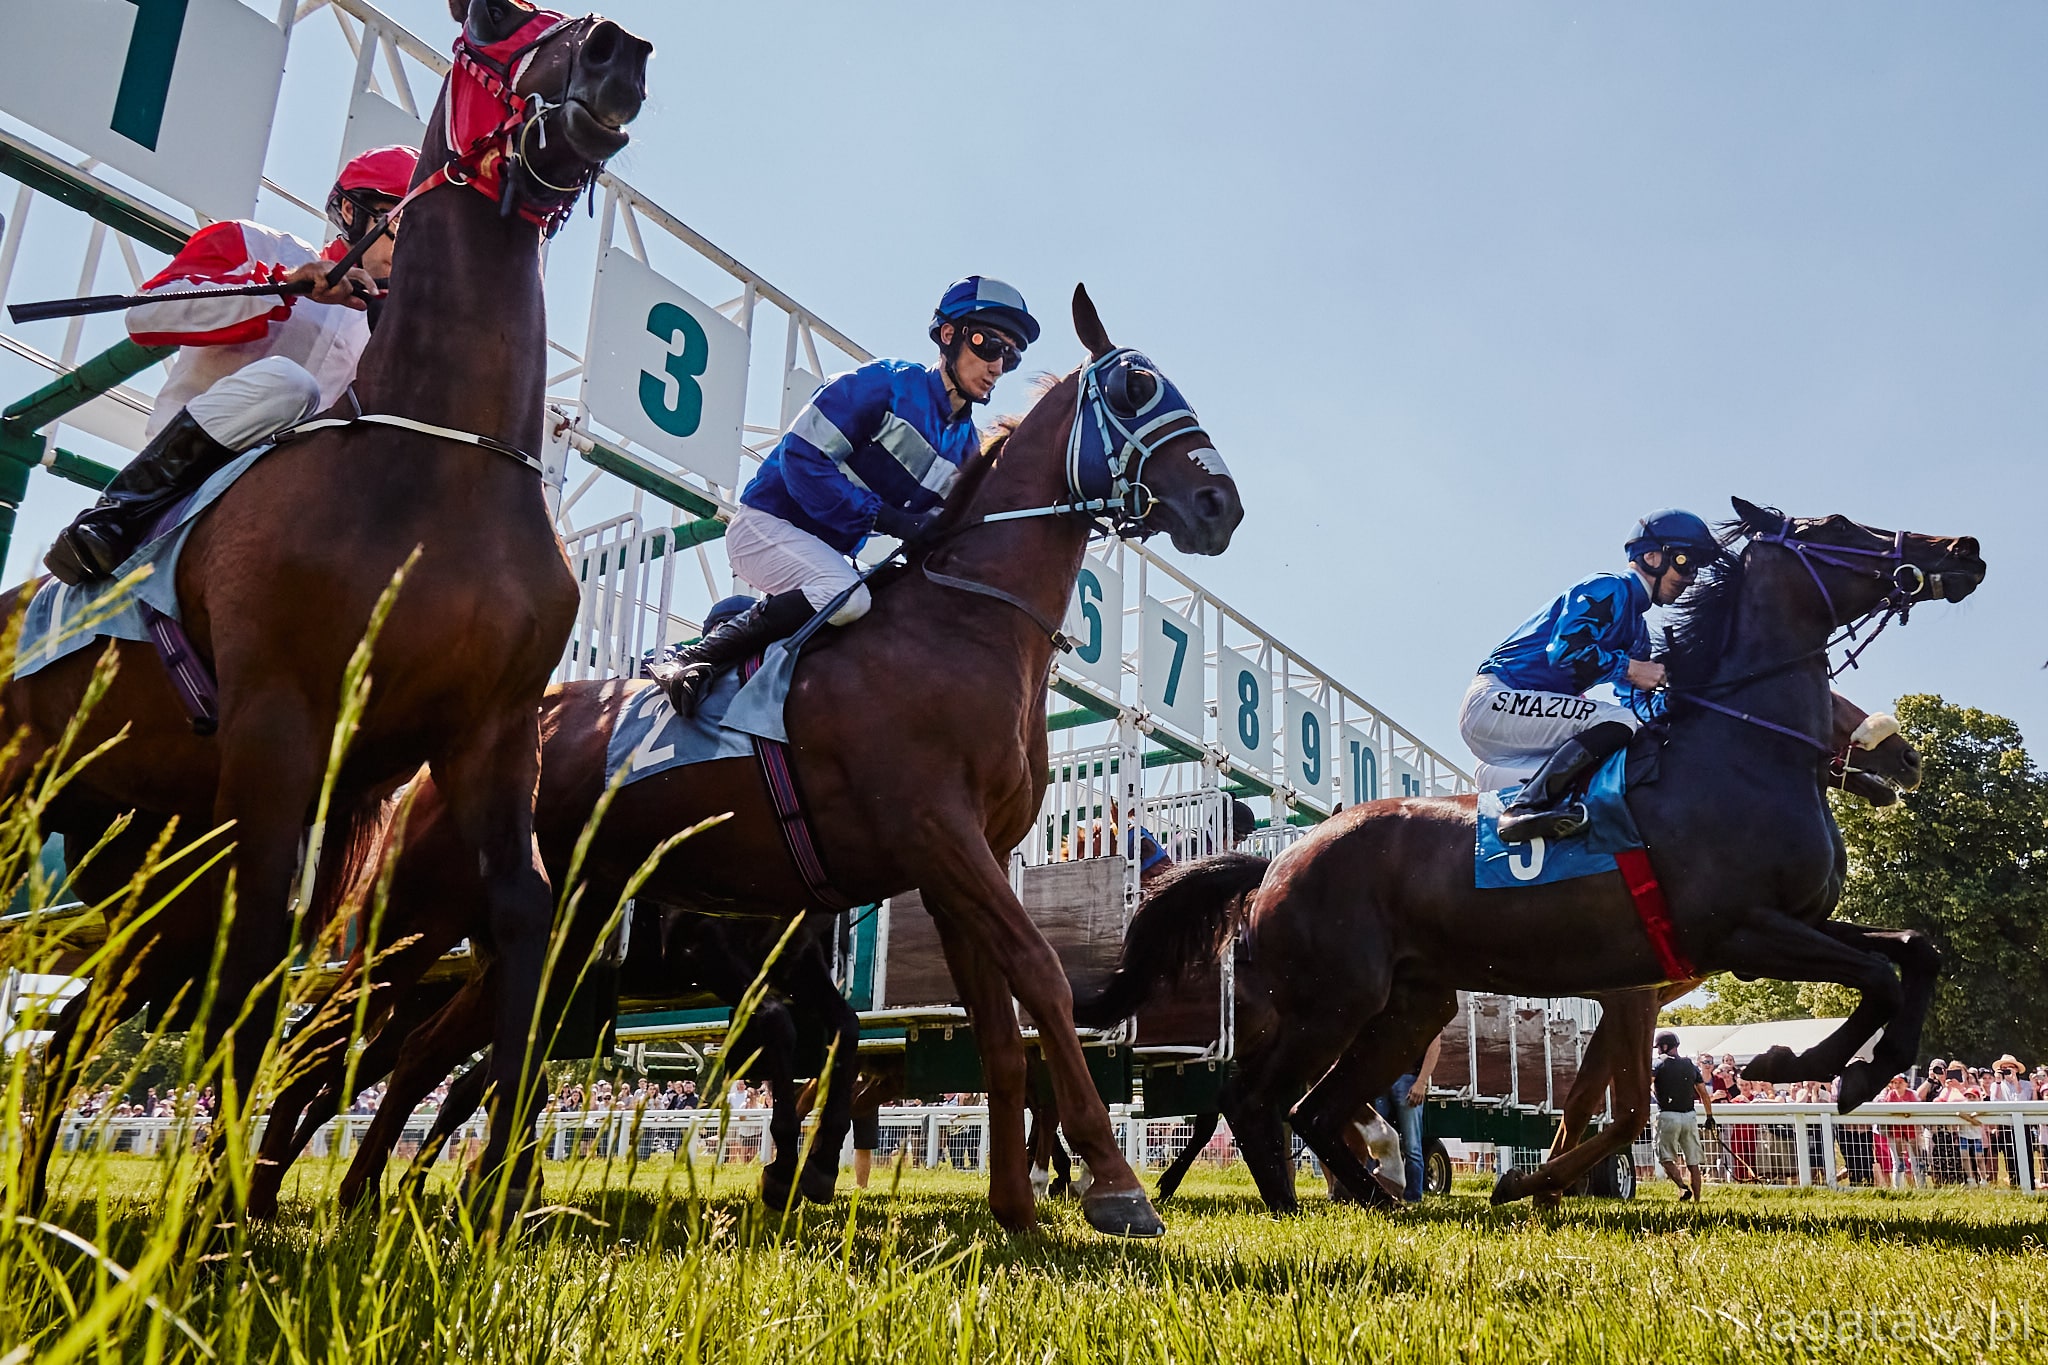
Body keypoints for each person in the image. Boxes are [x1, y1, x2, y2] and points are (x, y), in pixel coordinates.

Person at [652, 277, 1039, 715]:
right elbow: (802, 459)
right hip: (766, 525)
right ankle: (694, 656)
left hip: (827, 558)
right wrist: (889, 519)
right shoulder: (882, 384)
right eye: (988, 345)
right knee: (847, 597)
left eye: (1010, 356)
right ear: (949, 335)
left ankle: (742, 621)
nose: (997, 366)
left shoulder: (967, 448)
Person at [44, 145, 418, 585]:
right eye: (395, 224)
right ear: (350, 213)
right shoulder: (253, 244)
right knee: (290, 385)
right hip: (195, 480)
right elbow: (146, 316)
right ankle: (119, 513)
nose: (410, 245)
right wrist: (281, 287)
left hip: (303, 499)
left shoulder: (405, 327)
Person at [1461, 509, 1720, 844]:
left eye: (1696, 568)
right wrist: (1630, 668)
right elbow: (1565, 652)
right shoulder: (1609, 588)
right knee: (1620, 722)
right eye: (1685, 562)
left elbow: (1635, 700)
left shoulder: (1637, 631)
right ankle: (1523, 810)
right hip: (1493, 701)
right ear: (1652, 557)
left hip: (1506, 747)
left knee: (1617, 760)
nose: (1691, 578)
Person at [1371, 1033, 1443, 1202]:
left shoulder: (1424, 1010)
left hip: (1409, 1081)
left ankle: (1412, 1198)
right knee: (1373, 1142)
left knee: (1412, 1147)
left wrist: (1421, 1082)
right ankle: (1371, 1194)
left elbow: (1435, 1045)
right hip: (1381, 1081)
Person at [1652, 1030, 1714, 1201]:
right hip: (1689, 1116)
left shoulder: (1659, 1064)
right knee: (1693, 1161)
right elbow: (1703, 1093)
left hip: (1667, 1116)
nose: (1658, 1051)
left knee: (1665, 1158)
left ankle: (1682, 1186)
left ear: (1664, 1047)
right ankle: (1698, 1200)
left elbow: (1647, 1084)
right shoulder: (1690, 1065)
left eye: (1658, 1047)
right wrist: (1709, 1117)